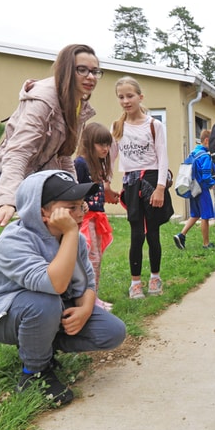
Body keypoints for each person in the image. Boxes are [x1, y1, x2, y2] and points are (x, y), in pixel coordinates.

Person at [0, 170, 127, 405]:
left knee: (113, 331)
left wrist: (85, 310)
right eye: (70, 207)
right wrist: (69, 233)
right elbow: (54, 284)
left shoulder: (75, 238)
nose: (79, 213)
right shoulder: (14, 240)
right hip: (5, 316)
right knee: (44, 303)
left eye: (80, 206)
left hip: (50, 309)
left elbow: (87, 283)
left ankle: (38, 344)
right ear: (43, 211)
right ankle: (34, 373)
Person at [0, 43, 103, 244]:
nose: (90, 77)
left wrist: (74, 195)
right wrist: (7, 200)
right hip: (23, 182)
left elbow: (64, 155)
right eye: (82, 69)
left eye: (95, 71)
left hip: (46, 181)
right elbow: (18, 152)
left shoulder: (78, 106)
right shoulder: (42, 100)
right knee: (37, 244)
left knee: (60, 239)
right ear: (65, 70)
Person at [110, 76, 173, 299]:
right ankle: (135, 282)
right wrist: (107, 184)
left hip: (152, 182)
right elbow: (111, 158)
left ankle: (155, 278)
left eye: (130, 96)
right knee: (136, 235)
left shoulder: (155, 125)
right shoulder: (117, 127)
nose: (126, 101)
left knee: (153, 234)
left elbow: (163, 157)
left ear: (140, 97)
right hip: (131, 184)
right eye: (121, 97)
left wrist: (160, 188)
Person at [74, 123, 118, 310]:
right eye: (100, 144)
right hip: (86, 218)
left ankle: (94, 297)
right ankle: (87, 300)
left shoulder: (98, 163)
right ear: (88, 143)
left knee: (97, 258)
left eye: (107, 144)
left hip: (97, 217)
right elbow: (75, 189)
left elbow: (115, 149)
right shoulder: (80, 164)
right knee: (90, 260)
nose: (105, 149)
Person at [173, 130, 215, 250]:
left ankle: (181, 235)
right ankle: (206, 244)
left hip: (192, 189)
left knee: (195, 214)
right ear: (207, 140)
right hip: (202, 190)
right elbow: (206, 176)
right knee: (205, 216)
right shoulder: (205, 156)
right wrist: (213, 183)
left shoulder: (193, 153)